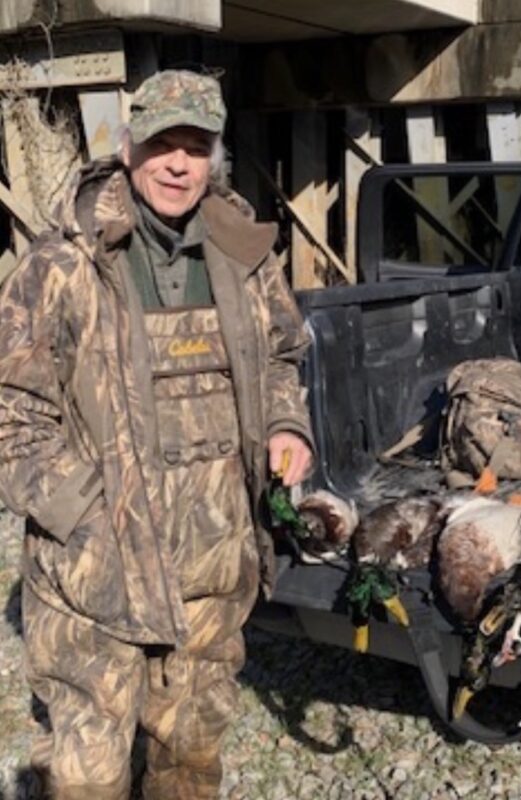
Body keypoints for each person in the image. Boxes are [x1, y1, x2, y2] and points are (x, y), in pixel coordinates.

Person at [0, 69, 314, 799]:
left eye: (196, 146)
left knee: (190, 762)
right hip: (95, 580)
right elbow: (10, 412)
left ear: (215, 155)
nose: (179, 163)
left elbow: (282, 358)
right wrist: (82, 515)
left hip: (211, 571)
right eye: (164, 143)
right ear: (131, 145)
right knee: (85, 778)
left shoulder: (245, 252)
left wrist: (284, 424)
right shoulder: (62, 263)